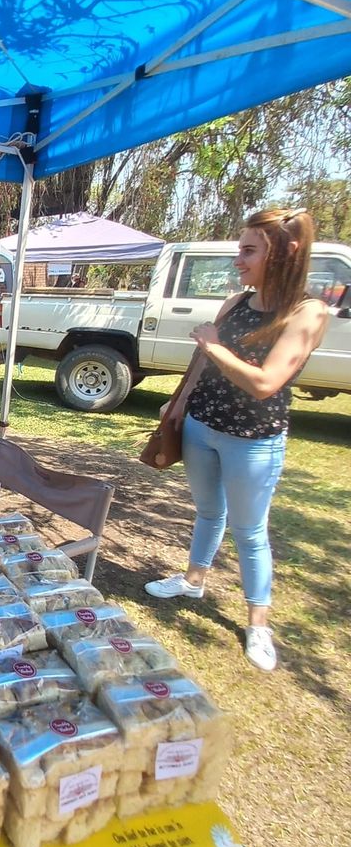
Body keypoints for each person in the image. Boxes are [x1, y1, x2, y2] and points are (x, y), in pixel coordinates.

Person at [144, 208, 329, 672]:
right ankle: (193, 581)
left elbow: (265, 383)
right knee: (208, 512)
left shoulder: (307, 312)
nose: (238, 261)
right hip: (202, 427)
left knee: (249, 531)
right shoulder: (236, 302)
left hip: (254, 440)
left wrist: (214, 344)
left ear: (285, 252)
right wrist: (178, 405)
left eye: (248, 251)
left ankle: (258, 624)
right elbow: (202, 365)